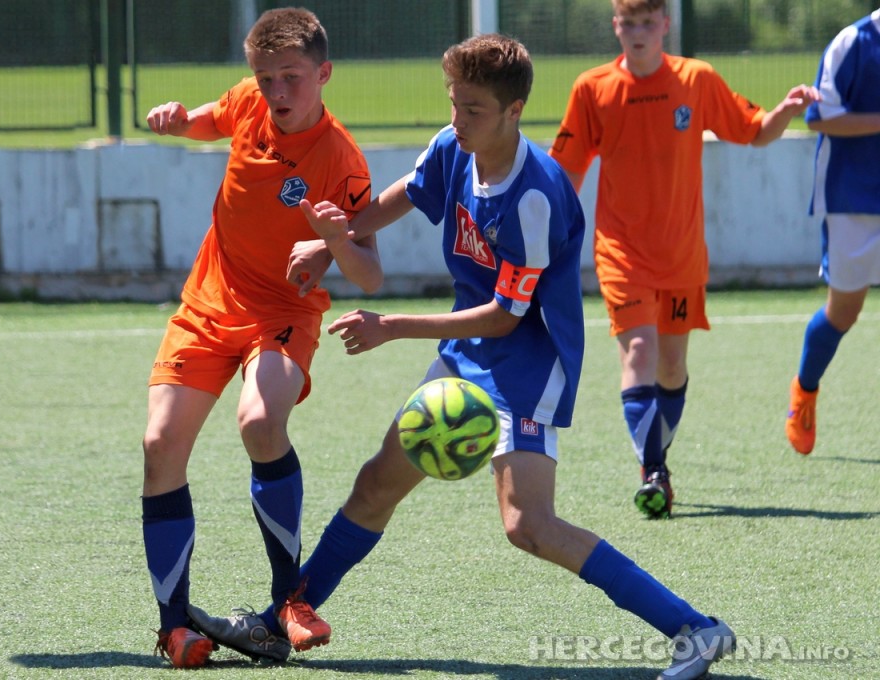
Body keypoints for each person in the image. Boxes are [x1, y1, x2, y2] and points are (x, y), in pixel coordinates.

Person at [188, 34, 736, 680]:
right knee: (376, 485)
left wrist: (392, 326)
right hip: (467, 350)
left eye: (472, 109)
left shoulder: (535, 196)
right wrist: (334, 241)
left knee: (528, 524)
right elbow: (405, 193)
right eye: (453, 103)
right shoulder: (455, 146)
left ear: (514, 110)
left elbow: (507, 316)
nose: (457, 120)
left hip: (527, 364)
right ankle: (281, 620)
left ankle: (695, 629)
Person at [141, 7, 378, 669]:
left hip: (283, 312)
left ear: (324, 74)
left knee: (259, 419)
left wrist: (334, 241)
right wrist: (178, 120)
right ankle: (174, 627)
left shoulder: (342, 159)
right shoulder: (249, 100)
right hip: (209, 302)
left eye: (291, 77)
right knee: (160, 445)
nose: (277, 91)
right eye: (266, 77)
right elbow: (207, 120)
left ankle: (289, 600)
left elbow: (371, 273)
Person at [548, 0, 819, 518]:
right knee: (639, 353)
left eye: (648, 23)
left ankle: (655, 461)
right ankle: (654, 472)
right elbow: (566, 172)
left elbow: (754, 130)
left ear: (666, 26)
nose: (638, 33)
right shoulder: (592, 88)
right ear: (616, 27)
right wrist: (549, 232)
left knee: (672, 367)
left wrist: (784, 111)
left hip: (681, 254)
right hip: (620, 252)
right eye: (629, 24)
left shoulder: (696, 79)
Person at [785, 9, 880, 455]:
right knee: (844, 312)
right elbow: (820, 116)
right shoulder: (853, 43)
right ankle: (805, 390)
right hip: (852, 198)